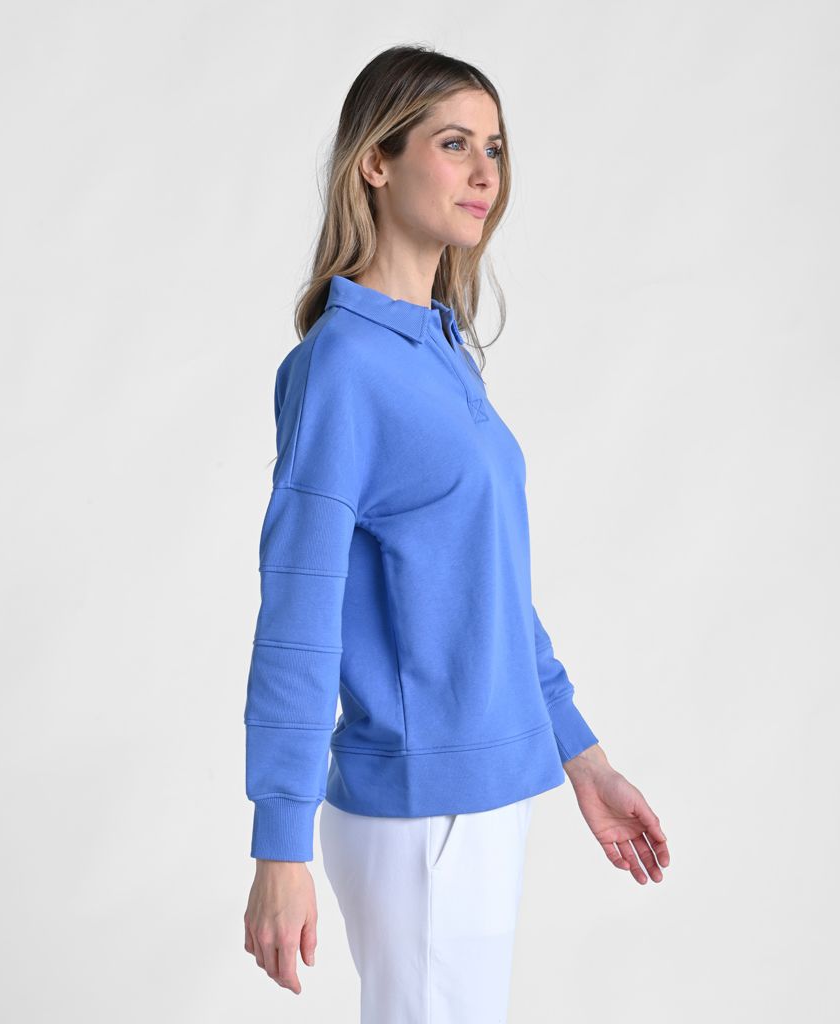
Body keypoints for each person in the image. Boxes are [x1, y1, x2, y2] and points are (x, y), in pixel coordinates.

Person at [242, 44, 670, 1021]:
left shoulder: (438, 348)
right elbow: (297, 615)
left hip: (479, 801)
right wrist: (278, 845)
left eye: (495, 148)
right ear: (375, 162)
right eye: (453, 144)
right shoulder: (345, 365)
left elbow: (485, 588)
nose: (485, 172)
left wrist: (581, 755)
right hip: (421, 812)